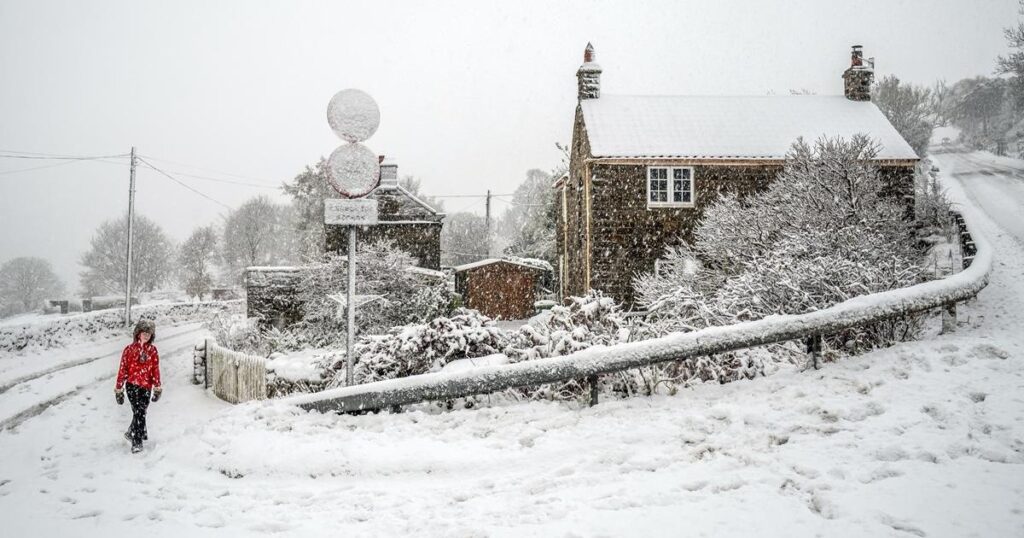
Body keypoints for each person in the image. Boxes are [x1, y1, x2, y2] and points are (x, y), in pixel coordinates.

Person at [114, 319, 163, 453]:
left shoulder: (152, 351)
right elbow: (123, 369)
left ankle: (131, 431)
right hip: (132, 386)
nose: (146, 336)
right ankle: (137, 441)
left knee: (140, 412)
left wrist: (157, 387)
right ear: (138, 334)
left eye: (149, 334)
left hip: (146, 387)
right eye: (144, 333)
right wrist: (119, 389)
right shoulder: (129, 350)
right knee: (139, 411)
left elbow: (155, 370)